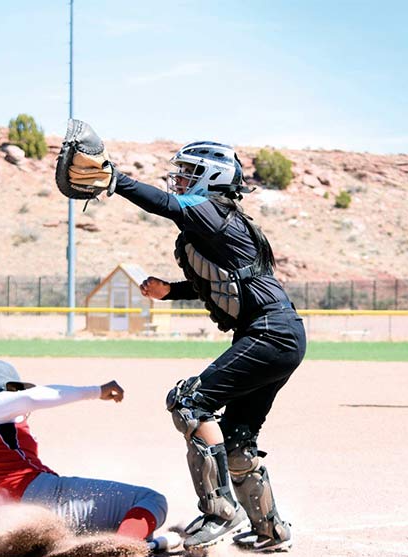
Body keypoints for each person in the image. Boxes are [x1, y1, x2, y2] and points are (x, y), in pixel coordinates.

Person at [111, 141, 306, 552]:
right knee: (236, 441)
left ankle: (220, 511)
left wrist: (115, 180)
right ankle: (272, 530)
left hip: (270, 332)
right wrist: (171, 292)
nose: (179, 179)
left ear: (211, 176)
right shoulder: (214, 223)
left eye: (187, 172)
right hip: (275, 333)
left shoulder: (213, 210)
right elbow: (221, 283)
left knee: (187, 402)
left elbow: (163, 203)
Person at [0, 359, 168, 542]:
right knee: (151, 500)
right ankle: (120, 551)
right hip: (48, 498)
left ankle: (136, 546)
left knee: (127, 529)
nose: (14, 396)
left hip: (25, 522)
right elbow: (32, 397)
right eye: (10, 391)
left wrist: (3, 531)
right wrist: (96, 391)